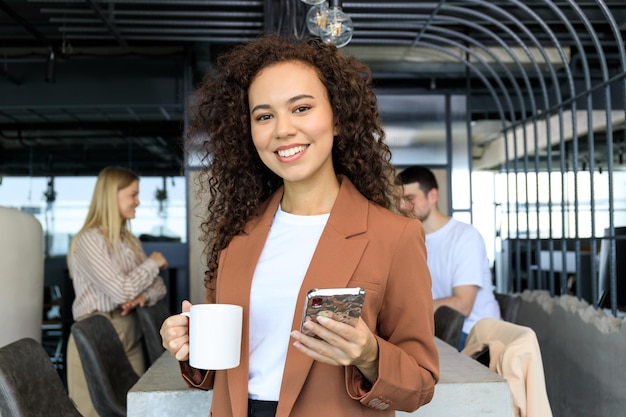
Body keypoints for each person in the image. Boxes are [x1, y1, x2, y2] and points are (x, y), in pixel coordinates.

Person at [160, 34, 439, 417]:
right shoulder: (238, 234)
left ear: (338, 118)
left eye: (301, 108)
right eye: (264, 116)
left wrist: (370, 355)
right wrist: (190, 346)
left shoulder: (394, 236)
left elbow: (420, 386)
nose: (283, 129)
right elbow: (221, 369)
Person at [66, 166, 168, 417]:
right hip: (96, 332)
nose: (138, 201)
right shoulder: (90, 240)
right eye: (133, 194)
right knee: (92, 413)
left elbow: (159, 287)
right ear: (113, 195)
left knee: (133, 409)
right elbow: (122, 291)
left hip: (129, 328)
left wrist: (143, 296)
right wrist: (153, 263)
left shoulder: (130, 242)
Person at [396, 165, 501, 350]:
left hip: (474, 335)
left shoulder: (465, 236)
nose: (402, 206)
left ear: (432, 196)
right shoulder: (410, 241)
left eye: (409, 198)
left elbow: (462, 305)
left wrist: (409, 310)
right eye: (399, 200)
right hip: (440, 330)